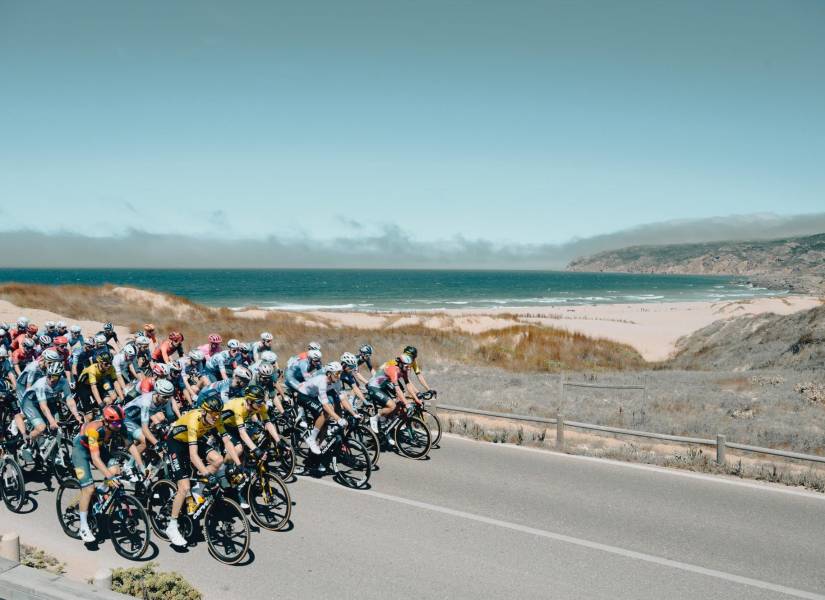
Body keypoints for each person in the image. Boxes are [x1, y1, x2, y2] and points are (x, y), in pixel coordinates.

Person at [164, 391, 240, 547]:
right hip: (176, 444)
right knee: (184, 488)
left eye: (218, 414)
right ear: (204, 412)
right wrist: (207, 474)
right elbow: (193, 455)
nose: (216, 418)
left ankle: (198, 490)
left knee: (218, 459)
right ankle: (172, 526)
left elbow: (227, 443)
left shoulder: (216, 419)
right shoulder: (194, 420)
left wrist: (238, 464)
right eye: (213, 415)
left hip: (194, 440)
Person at [72, 406, 128, 543]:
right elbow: (96, 459)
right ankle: (84, 527)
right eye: (115, 423)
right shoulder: (94, 430)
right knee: (89, 489)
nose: (119, 425)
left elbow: (130, 445)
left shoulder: (119, 426)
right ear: (106, 421)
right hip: (80, 451)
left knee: (116, 470)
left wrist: (137, 466)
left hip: (98, 447)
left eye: (121, 422)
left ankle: (99, 494)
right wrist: (109, 477)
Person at [21, 362, 80, 456]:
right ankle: (28, 444)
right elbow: (43, 407)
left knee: (58, 425)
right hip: (30, 403)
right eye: (49, 376)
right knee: (41, 428)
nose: (51, 379)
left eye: (55, 377)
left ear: (60, 376)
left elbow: (69, 400)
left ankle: (51, 450)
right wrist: (52, 421)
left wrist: (77, 415)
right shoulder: (41, 384)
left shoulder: (64, 382)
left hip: (48, 400)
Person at [123, 379, 178, 479]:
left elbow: (170, 417)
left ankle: (145, 456)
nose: (167, 399)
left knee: (159, 431)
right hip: (127, 417)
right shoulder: (146, 401)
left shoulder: (166, 399)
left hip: (140, 417)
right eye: (165, 397)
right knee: (146, 440)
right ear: (157, 393)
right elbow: (144, 429)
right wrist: (157, 444)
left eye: (169, 396)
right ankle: (129, 465)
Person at [295, 361, 347, 455]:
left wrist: (350, 412)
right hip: (303, 396)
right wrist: (338, 419)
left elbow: (340, 398)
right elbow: (325, 406)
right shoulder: (322, 382)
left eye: (340, 373)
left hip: (312, 396)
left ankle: (319, 452)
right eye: (336, 373)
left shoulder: (335, 382)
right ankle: (311, 438)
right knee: (324, 413)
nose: (339, 376)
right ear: (329, 374)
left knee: (324, 422)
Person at [366, 354, 414, 436]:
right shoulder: (393, 370)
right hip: (373, 387)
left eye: (410, 366)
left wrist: (415, 397)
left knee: (399, 403)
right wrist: (407, 404)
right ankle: (375, 418)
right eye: (407, 366)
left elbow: (408, 384)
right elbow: (397, 389)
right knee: (392, 405)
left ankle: (385, 426)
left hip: (382, 387)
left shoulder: (403, 371)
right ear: (401, 364)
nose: (409, 368)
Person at [75, 351, 123, 419]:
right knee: (90, 416)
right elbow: (94, 388)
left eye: (110, 363)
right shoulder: (92, 369)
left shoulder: (111, 368)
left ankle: (103, 416)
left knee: (110, 400)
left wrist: (122, 398)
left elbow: (115, 381)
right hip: (83, 386)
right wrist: (100, 403)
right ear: (100, 362)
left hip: (97, 382)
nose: (109, 365)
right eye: (106, 364)